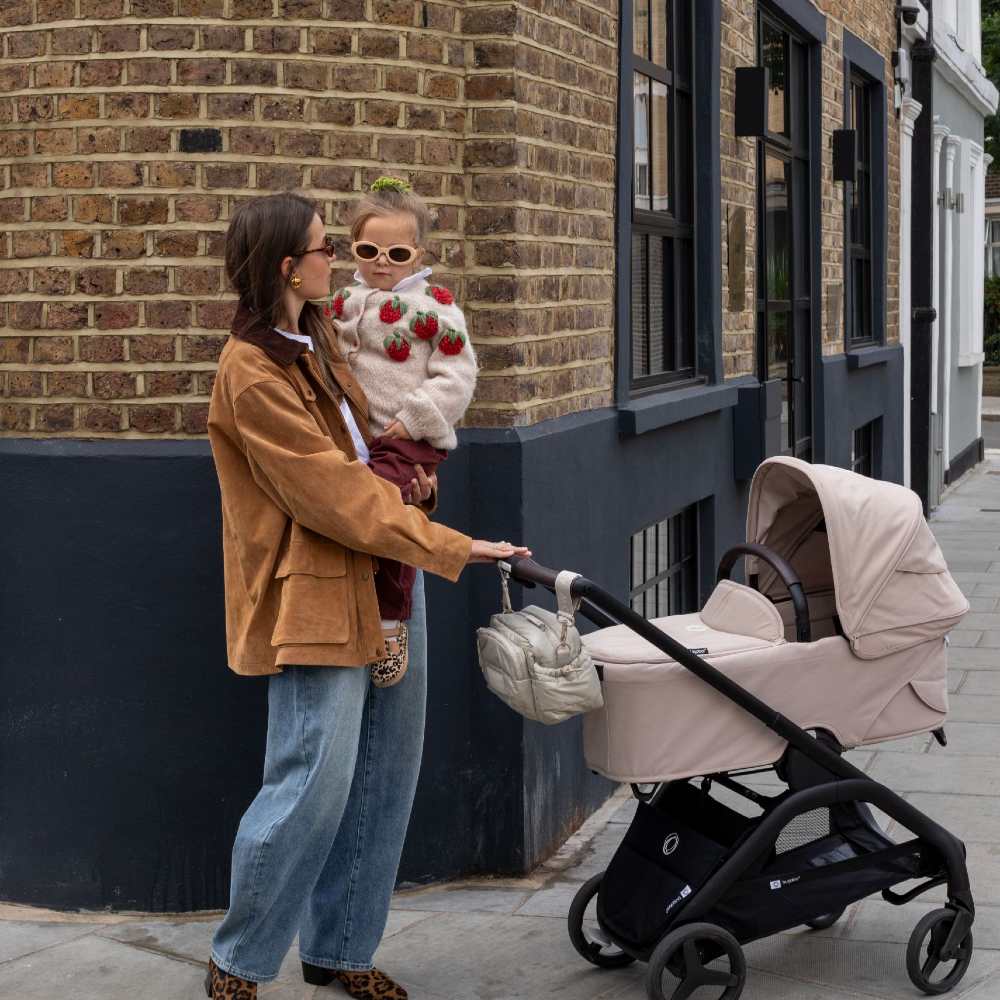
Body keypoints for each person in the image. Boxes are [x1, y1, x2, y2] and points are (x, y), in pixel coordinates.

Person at [204, 190, 529, 1000]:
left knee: (385, 777)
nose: (340, 262)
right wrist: (456, 545)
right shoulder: (251, 371)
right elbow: (334, 496)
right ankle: (239, 960)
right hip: (314, 595)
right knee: (309, 784)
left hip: (386, 579)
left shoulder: (319, 338)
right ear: (287, 265)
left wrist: (420, 490)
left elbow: (376, 454)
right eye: (324, 248)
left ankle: (342, 949)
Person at [322, 176, 477, 688]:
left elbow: (457, 376)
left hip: (408, 435)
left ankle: (392, 618)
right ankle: (369, 606)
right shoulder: (346, 299)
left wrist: (415, 418)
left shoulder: (436, 308)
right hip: (359, 439)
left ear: (418, 252)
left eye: (396, 251)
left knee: (387, 515)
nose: (381, 261)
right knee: (370, 515)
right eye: (368, 249)